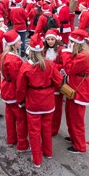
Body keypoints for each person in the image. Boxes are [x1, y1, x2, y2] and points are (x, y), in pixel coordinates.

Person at [16, 35, 63, 168]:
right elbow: (59, 81)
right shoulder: (49, 64)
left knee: (34, 131)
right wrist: (49, 88)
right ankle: (48, 152)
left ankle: (37, 159)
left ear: (30, 52)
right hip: (48, 101)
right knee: (46, 128)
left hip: (33, 103)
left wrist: (20, 101)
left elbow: (20, 89)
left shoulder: (26, 67)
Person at [61, 29, 89, 154]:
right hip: (75, 88)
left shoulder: (83, 56)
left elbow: (69, 68)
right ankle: (74, 137)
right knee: (70, 115)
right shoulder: (81, 53)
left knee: (76, 120)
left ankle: (80, 146)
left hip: (79, 91)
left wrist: (65, 53)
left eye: (70, 42)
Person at [0, 30, 28, 152]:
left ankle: (11, 139)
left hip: (7, 88)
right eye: (19, 41)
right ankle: (22, 144)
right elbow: (19, 80)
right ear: (13, 44)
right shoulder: (13, 60)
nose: (21, 42)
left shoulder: (6, 55)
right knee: (20, 118)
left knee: (10, 115)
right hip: (13, 91)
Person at [42, 30, 64, 137]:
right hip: (46, 81)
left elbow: (63, 65)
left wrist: (51, 65)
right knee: (47, 106)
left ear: (56, 39)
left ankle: (54, 129)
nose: (50, 42)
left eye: (52, 39)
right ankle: (46, 126)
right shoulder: (44, 49)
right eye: (48, 39)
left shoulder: (60, 50)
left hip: (56, 81)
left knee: (57, 107)